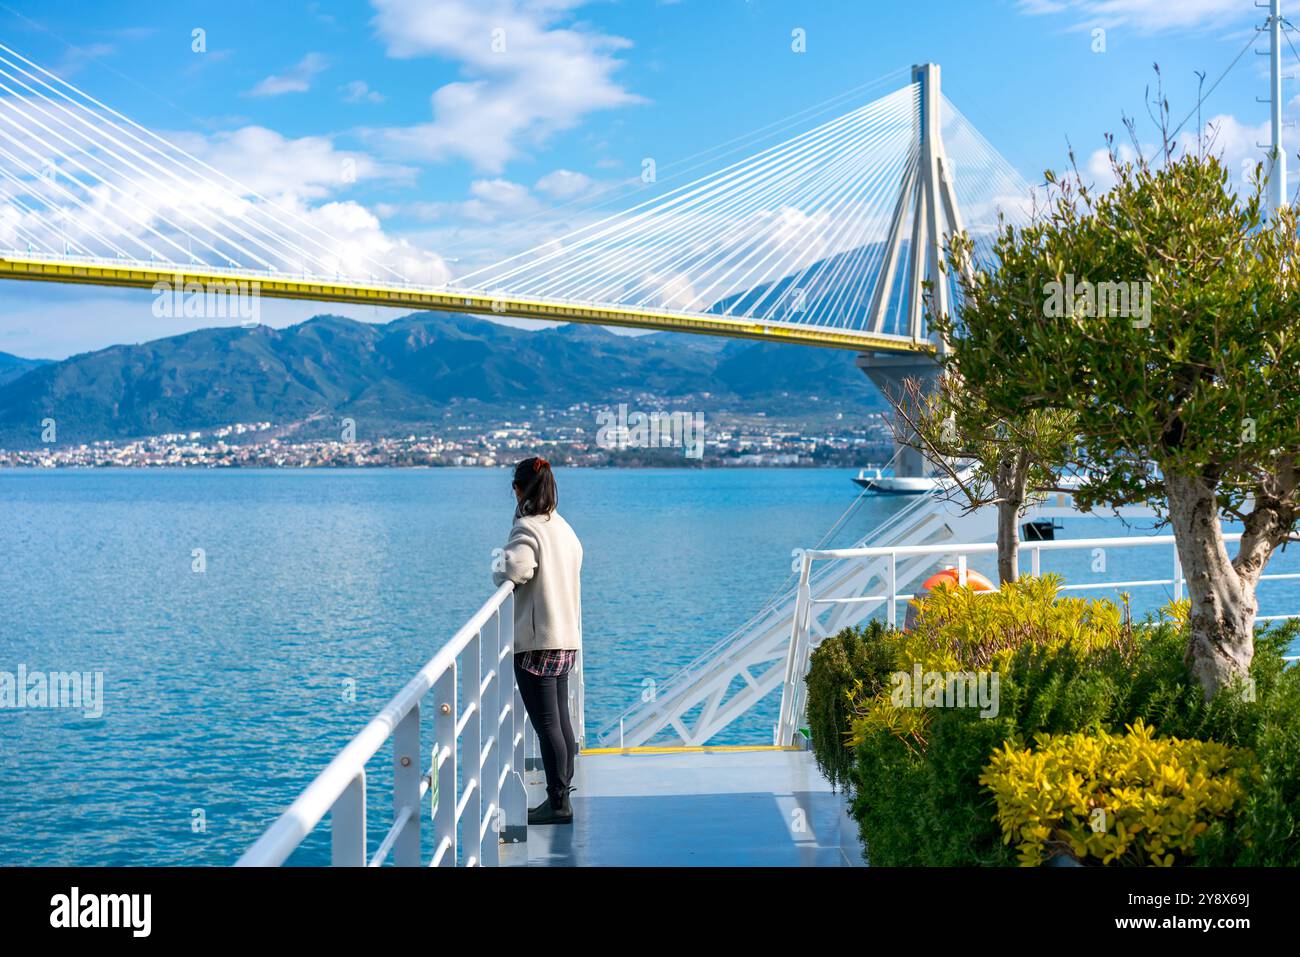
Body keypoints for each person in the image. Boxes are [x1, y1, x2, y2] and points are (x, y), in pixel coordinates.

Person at [492, 456, 583, 825]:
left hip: (538, 641)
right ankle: (562, 791)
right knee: (561, 721)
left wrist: (498, 565)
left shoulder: (527, 528)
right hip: (566, 638)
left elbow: (514, 569)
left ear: (519, 489)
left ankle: (558, 802)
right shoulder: (563, 527)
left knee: (547, 724)